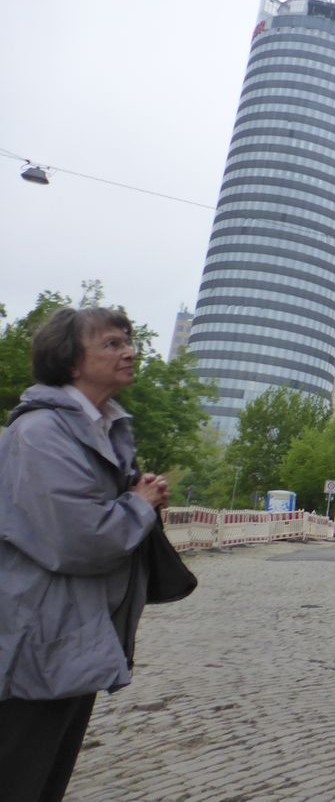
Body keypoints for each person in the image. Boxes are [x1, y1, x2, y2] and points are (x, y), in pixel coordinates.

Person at [0, 307, 170, 802]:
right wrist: (139, 506)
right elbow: (80, 540)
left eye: (128, 341)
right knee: (19, 778)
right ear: (72, 361)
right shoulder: (42, 435)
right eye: (113, 344)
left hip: (74, 634)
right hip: (37, 637)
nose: (130, 352)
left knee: (45, 779)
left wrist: (137, 495)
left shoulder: (101, 427)